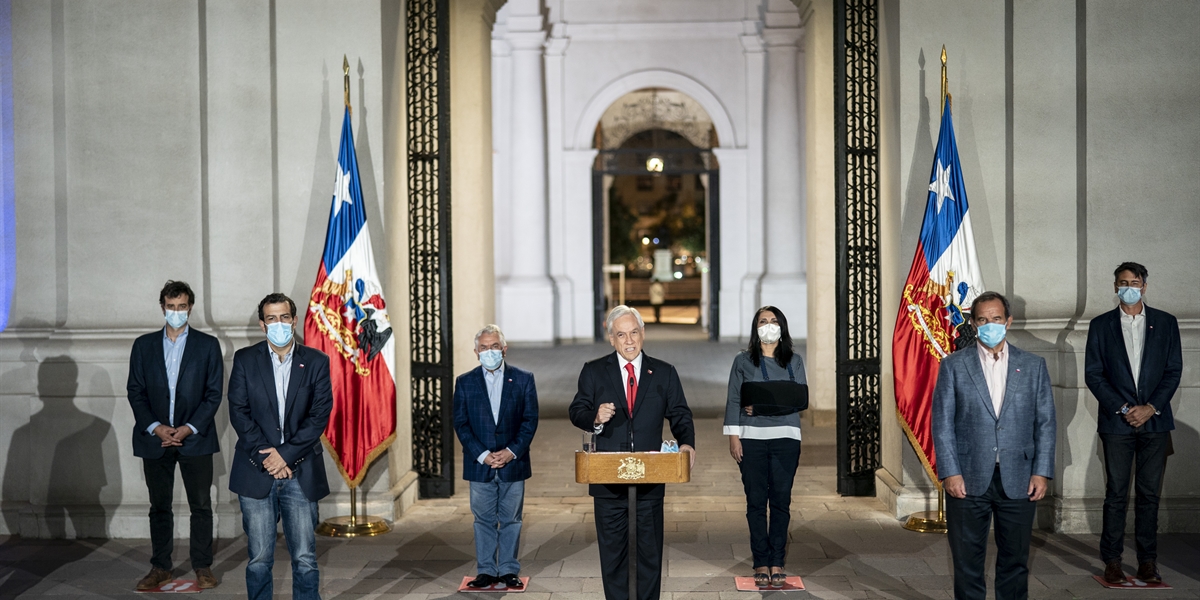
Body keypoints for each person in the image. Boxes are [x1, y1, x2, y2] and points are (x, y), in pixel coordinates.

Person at [932, 291, 1055, 600]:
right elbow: (942, 424)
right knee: (966, 560)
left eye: (996, 319)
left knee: (1015, 559)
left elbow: (1045, 423)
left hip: (1020, 477)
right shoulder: (953, 365)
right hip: (967, 477)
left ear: (1008, 321)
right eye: (983, 320)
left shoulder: (1033, 365)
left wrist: (1041, 472)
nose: (990, 325)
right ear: (974, 323)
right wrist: (950, 473)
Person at [568, 305, 696, 600]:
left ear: (643, 334)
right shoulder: (594, 371)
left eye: (634, 333)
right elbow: (577, 410)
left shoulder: (664, 372)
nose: (629, 341)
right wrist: (594, 417)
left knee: (650, 555)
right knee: (613, 557)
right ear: (611, 339)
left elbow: (680, 414)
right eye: (621, 335)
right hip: (607, 481)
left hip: (650, 479)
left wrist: (687, 443)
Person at [227, 293, 332, 600]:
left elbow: (318, 416)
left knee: (304, 558)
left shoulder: (316, 361)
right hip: (256, 469)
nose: (279, 323)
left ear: (294, 320)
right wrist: (269, 457)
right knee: (259, 558)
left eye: (284, 317)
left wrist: (284, 456)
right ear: (262, 325)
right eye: (271, 318)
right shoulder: (245, 360)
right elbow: (239, 412)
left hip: (300, 471)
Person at [1085, 262, 1182, 585]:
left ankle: (1147, 562)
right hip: (1117, 423)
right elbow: (1094, 374)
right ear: (1115, 287)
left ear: (1145, 286)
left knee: (1149, 495)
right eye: (1123, 282)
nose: (1129, 287)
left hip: (1155, 423)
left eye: (1135, 282)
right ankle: (1112, 561)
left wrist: (1151, 408)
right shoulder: (1101, 325)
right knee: (1116, 493)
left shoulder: (1165, 323)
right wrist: (1125, 408)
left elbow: (1173, 370)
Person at [126, 280, 224, 591]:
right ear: (162, 307)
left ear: (190, 307)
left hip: (195, 438)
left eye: (182, 306)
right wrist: (156, 427)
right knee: (159, 506)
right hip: (155, 439)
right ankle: (161, 567)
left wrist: (188, 428)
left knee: (201, 506)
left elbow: (213, 394)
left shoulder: (207, 345)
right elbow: (135, 391)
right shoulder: (143, 346)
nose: (176, 312)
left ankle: (202, 566)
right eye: (171, 307)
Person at [724, 306, 807, 588]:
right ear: (755, 327)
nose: (768, 325)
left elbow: (799, 399)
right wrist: (733, 435)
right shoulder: (743, 361)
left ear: (782, 327)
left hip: (787, 438)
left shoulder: (794, 361)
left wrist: (760, 406)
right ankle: (761, 560)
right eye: (763, 321)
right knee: (756, 502)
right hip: (751, 438)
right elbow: (735, 399)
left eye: (773, 321)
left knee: (781, 501)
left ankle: (777, 561)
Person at [453, 324, 540, 590]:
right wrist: (482, 454)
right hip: (480, 464)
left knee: (512, 518)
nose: (489, 351)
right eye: (483, 347)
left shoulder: (524, 379)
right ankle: (487, 570)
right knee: (483, 519)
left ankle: (509, 569)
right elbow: (461, 424)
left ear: (504, 349)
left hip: (514, 462)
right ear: (476, 352)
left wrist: (511, 451)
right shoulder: (465, 382)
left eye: (494, 346)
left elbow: (530, 420)